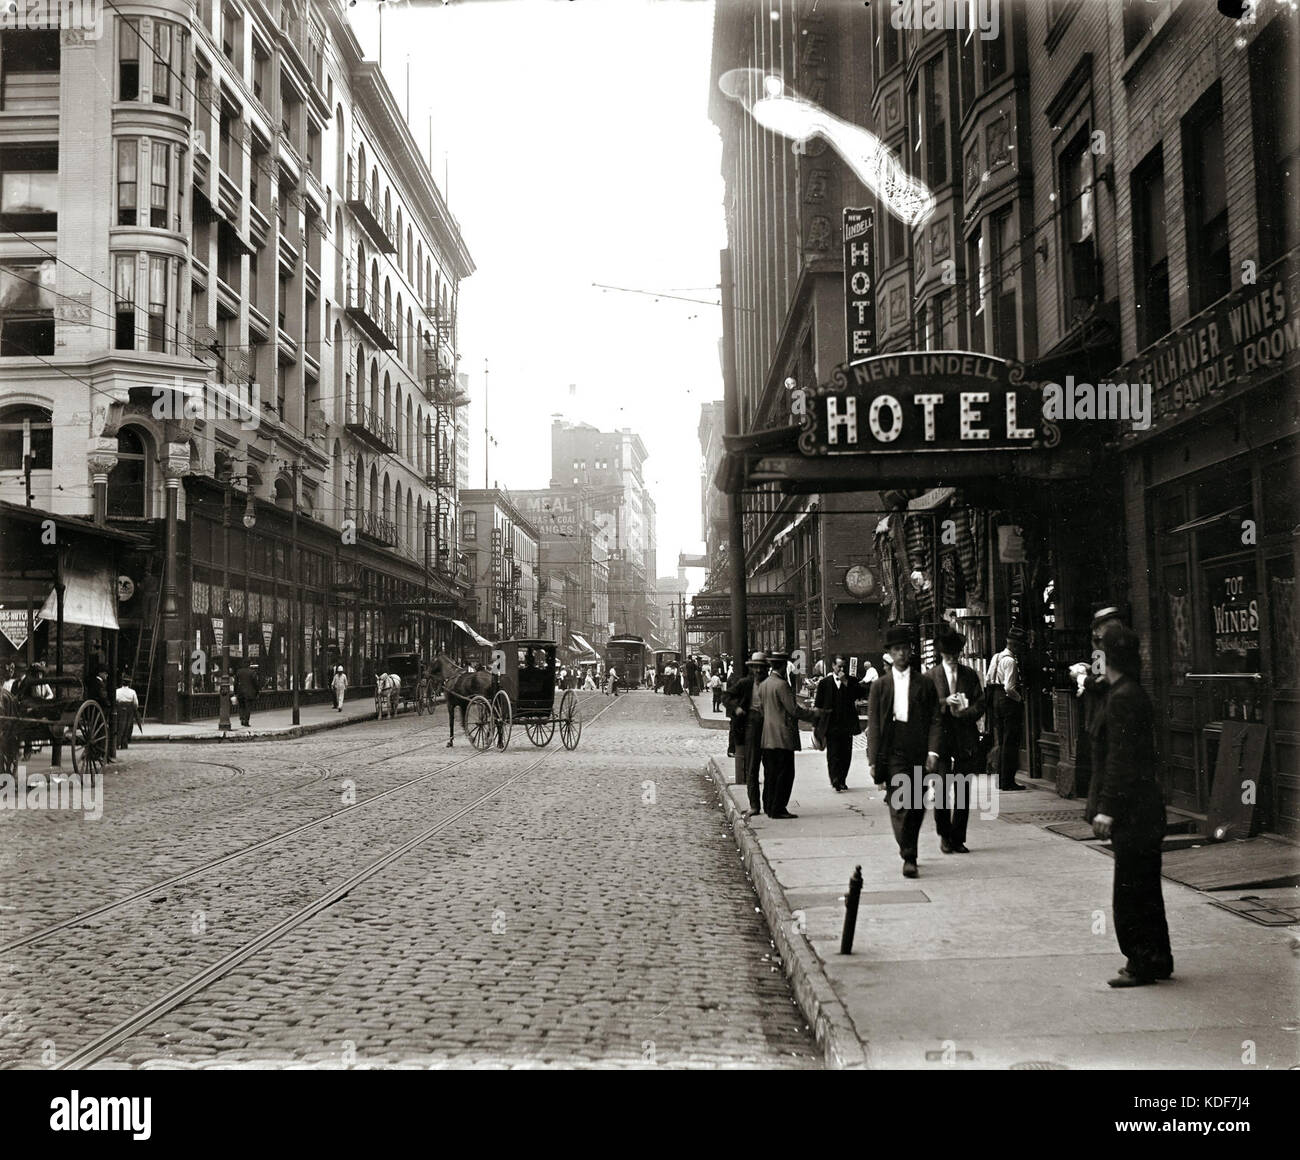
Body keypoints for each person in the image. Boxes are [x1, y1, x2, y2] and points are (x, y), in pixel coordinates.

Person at [1085, 623, 1173, 988]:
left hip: (1132, 810)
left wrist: (1107, 808)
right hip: (1145, 807)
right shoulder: (1127, 691)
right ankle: (1157, 956)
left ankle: (1140, 960)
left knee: (1131, 889)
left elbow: (1120, 760)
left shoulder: (1122, 698)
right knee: (1146, 887)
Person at [866, 626, 942, 878]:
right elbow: (874, 724)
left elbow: (934, 719)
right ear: (889, 653)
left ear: (911, 651)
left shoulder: (925, 683)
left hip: (918, 748)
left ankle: (908, 846)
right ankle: (909, 854)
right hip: (893, 749)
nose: (901, 653)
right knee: (900, 802)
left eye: (905, 649)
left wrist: (933, 751)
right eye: (896, 649)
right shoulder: (880, 686)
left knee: (917, 803)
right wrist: (873, 758)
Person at [927, 627, 986, 853]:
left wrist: (965, 712)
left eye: (955, 654)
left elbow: (981, 704)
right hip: (940, 739)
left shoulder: (970, 675)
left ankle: (958, 838)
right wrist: (944, 702)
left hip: (964, 739)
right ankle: (944, 835)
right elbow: (924, 707)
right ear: (941, 654)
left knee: (962, 790)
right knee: (941, 789)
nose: (952, 658)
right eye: (948, 654)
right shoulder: (930, 677)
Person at [758, 650, 819, 819]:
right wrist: (814, 713)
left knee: (770, 774)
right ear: (784, 666)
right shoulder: (782, 685)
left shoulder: (764, 684)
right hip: (782, 736)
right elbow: (794, 710)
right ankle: (779, 808)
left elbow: (762, 709)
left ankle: (769, 806)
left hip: (767, 736)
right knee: (785, 774)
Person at [725, 652, 769, 815]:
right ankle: (754, 805)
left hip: (768, 725)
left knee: (770, 767)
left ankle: (769, 803)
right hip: (751, 724)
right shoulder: (745, 684)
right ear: (751, 668)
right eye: (755, 667)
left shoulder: (770, 683)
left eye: (761, 667)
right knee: (752, 767)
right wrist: (736, 708)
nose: (758, 670)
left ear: (766, 669)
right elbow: (726, 696)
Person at [813, 654, 865, 791]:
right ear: (833, 666)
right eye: (839, 666)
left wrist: (846, 682)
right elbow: (818, 705)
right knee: (833, 753)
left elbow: (860, 694)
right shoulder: (824, 683)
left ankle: (842, 779)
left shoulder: (851, 680)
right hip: (831, 724)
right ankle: (834, 779)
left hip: (847, 724)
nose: (841, 669)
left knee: (846, 753)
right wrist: (816, 725)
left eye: (843, 666)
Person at [987, 629, 1027, 790]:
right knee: (1010, 741)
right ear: (1015, 645)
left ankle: (1001, 780)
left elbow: (989, 678)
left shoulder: (996, 657)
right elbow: (1010, 688)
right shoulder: (1010, 661)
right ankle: (1008, 781)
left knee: (1002, 740)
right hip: (1008, 701)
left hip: (996, 699)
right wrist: (1020, 699)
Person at [115, 677, 140, 749]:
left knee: (119, 726)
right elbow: (135, 703)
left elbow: (115, 700)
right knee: (127, 726)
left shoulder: (117, 691)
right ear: (129, 684)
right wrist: (134, 709)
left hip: (119, 709)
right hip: (129, 710)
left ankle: (117, 743)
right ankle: (124, 744)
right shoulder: (132, 692)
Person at [234, 662, 261, 727]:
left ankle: (242, 719)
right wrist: (257, 692)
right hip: (249, 693)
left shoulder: (239, 672)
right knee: (248, 707)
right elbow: (256, 683)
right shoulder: (252, 672)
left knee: (241, 706)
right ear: (249, 665)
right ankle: (246, 721)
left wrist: (235, 692)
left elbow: (235, 683)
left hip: (240, 692)